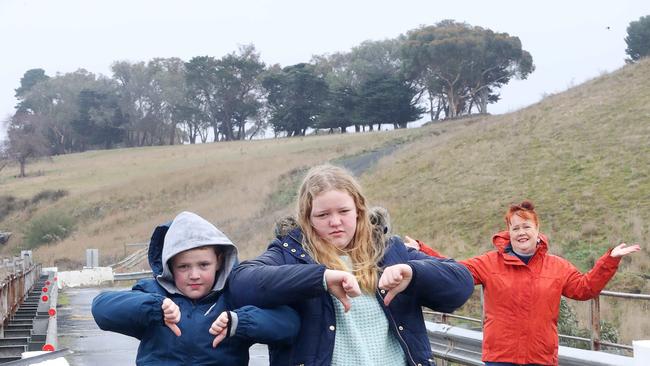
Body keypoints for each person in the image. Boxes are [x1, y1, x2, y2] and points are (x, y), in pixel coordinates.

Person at [227, 164, 474, 366]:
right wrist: (320, 278)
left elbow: (461, 283)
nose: (335, 222)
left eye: (344, 211)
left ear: (359, 210)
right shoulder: (289, 253)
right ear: (307, 218)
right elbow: (242, 282)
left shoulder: (390, 250)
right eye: (323, 215)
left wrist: (414, 273)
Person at [404, 200, 641, 366]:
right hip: (500, 358)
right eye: (515, 228)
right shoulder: (489, 262)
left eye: (526, 226)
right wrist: (422, 251)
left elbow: (585, 288)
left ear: (538, 231)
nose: (521, 232)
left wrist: (610, 261)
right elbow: (454, 272)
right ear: (509, 233)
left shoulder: (557, 266)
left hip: (541, 357)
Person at [92, 211, 299, 366]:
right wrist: (154, 308)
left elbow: (289, 324)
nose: (194, 275)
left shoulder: (235, 295)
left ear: (219, 261)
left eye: (203, 265)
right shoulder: (154, 294)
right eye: (183, 267)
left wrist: (241, 322)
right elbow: (101, 310)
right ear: (169, 266)